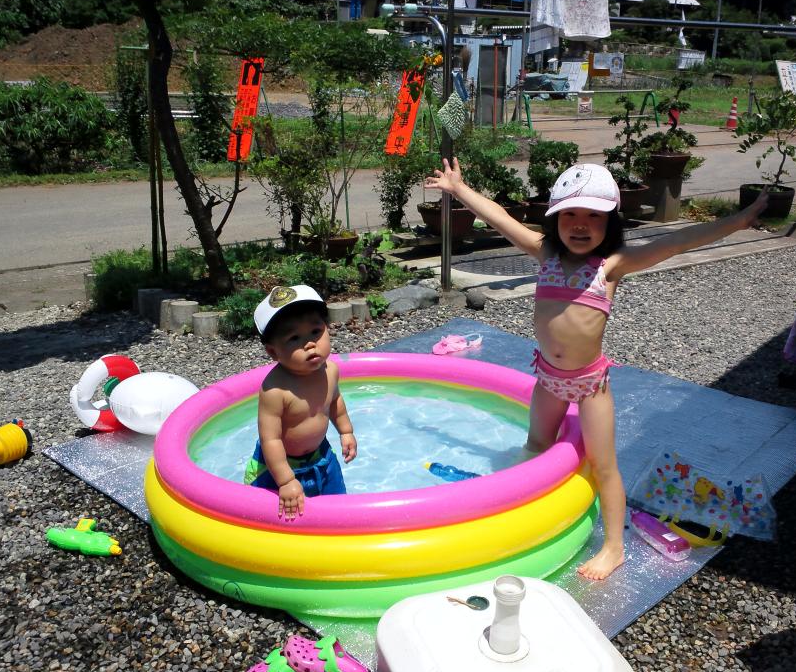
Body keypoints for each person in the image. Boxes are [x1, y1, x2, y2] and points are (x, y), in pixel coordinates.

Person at [426, 160, 768, 579]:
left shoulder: (610, 267)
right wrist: (459, 189)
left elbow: (677, 242)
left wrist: (737, 221)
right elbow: (500, 218)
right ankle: (531, 510)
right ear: (554, 219)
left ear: (611, 223)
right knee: (535, 446)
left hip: (590, 385)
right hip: (547, 378)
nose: (580, 224)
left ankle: (613, 547)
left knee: (605, 467)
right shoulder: (546, 254)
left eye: (594, 216)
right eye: (570, 214)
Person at [243, 285, 357, 521]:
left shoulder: (331, 371)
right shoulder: (275, 390)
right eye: (294, 338)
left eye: (316, 331)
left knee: (338, 509)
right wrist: (285, 480)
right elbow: (271, 439)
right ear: (273, 352)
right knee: (278, 521)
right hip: (279, 466)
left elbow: (334, 401)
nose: (309, 344)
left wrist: (346, 431)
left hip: (321, 456)